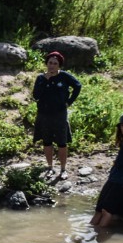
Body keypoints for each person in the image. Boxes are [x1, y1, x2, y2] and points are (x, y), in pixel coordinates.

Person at [33, 51, 82, 180]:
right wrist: (46, 81)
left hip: (60, 114)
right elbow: (36, 95)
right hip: (44, 114)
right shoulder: (40, 78)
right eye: (50, 63)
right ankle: (50, 168)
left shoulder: (65, 76)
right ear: (47, 64)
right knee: (47, 142)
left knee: (62, 143)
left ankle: (63, 169)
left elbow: (78, 86)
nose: (52, 66)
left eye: (55, 63)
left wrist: (69, 102)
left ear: (59, 65)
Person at [91, 113, 123, 229]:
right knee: (99, 209)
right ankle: (90, 231)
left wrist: (115, 165)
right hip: (115, 178)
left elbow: (122, 162)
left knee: (107, 210)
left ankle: (97, 234)